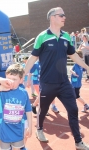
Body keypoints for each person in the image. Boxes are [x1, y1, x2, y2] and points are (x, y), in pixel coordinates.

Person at [24, 7, 89, 149]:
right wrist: (23, 74)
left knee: (73, 110)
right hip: (47, 82)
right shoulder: (42, 36)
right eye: (61, 15)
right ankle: (39, 129)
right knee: (43, 109)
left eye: (64, 15)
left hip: (64, 83)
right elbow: (33, 57)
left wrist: (87, 67)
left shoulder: (66, 36)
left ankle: (78, 141)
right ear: (52, 17)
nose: (64, 17)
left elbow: (74, 55)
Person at [0, 63, 32, 150]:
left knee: (17, 148)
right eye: (8, 78)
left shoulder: (24, 93)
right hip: (5, 130)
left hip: (18, 130)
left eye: (14, 79)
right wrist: (0, 88)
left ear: (21, 80)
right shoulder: (1, 92)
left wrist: (30, 127)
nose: (11, 81)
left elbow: (28, 110)